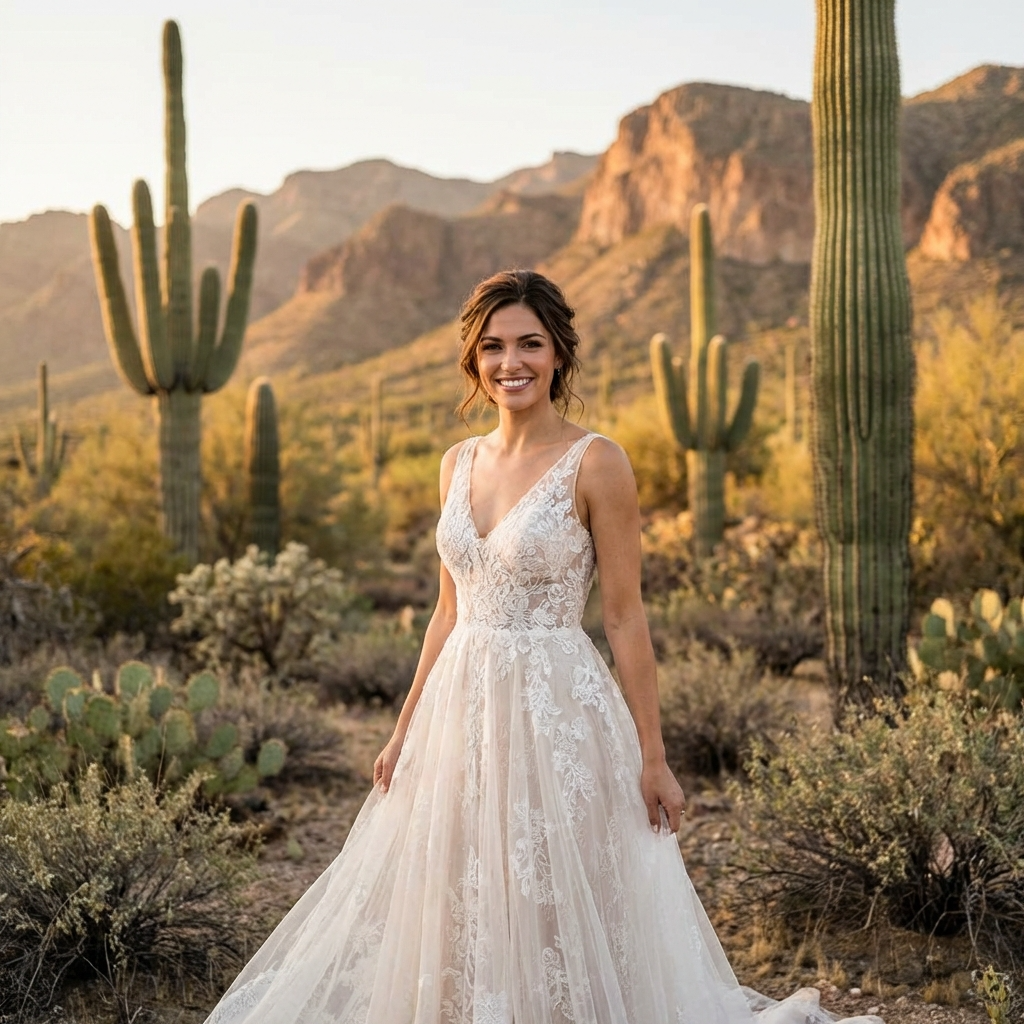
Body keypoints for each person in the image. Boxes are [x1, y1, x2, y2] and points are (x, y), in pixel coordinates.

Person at [204, 270, 881, 1024]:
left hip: (559, 706)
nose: (510, 362)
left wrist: (654, 757)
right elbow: (445, 612)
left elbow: (625, 619)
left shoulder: (598, 462)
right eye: (492, 347)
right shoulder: (455, 464)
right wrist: (402, 731)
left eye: (530, 343)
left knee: (558, 888)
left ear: (559, 352)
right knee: (461, 884)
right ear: (474, 359)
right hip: (461, 705)